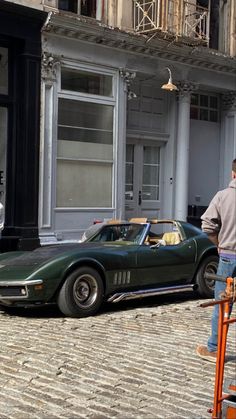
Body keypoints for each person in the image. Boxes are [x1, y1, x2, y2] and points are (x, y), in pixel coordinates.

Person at [196, 158, 236, 362]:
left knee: (223, 304)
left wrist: (219, 243)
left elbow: (207, 225)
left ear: (233, 174)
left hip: (228, 256)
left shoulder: (223, 196)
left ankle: (214, 348)